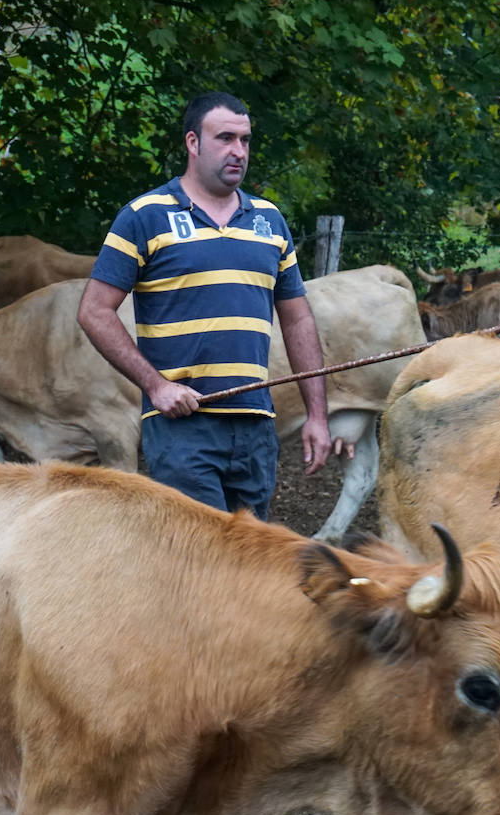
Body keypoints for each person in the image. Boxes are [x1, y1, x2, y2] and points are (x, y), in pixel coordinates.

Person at [77, 91, 333, 519]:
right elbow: (93, 310)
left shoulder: (269, 220)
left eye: (246, 140)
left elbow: (298, 318)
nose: (239, 151)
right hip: (183, 428)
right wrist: (156, 386)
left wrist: (317, 415)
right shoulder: (145, 215)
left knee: (249, 566)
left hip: (255, 423)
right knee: (200, 566)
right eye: (226, 138)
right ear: (193, 143)